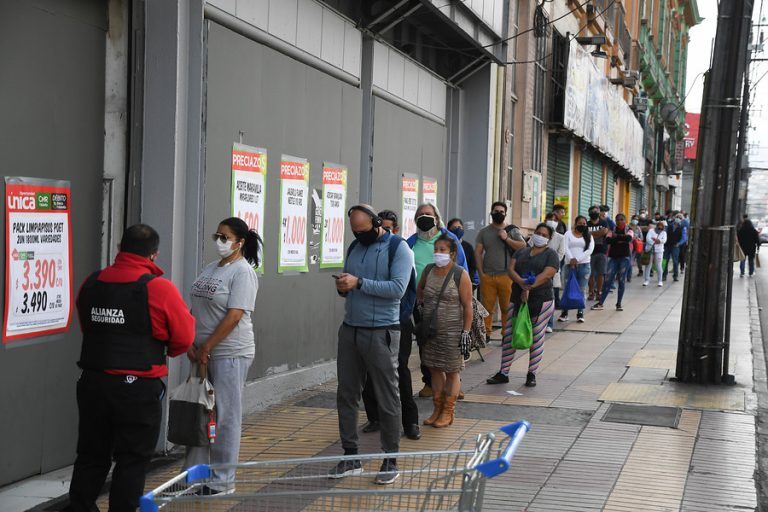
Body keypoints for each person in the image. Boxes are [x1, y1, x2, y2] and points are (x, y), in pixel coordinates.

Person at [69, 224, 195, 512]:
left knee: (90, 455)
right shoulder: (159, 288)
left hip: (93, 381)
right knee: (132, 459)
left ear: (119, 248)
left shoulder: (92, 282)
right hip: (137, 387)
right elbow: (184, 338)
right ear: (154, 254)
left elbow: (87, 326)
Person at [332, 205, 414, 485]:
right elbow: (349, 285)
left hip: (382, 332)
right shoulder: (354, 247)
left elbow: (397, 289)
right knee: (346, 395)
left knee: (387, 397)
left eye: (363, 230)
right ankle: (350, 456)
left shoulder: (399, 248)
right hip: (350, 329)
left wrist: (359, 283)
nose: (359, 235)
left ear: (377, 223)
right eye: (354, 231)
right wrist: (343, 286)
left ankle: (390, 458)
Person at [185, 217, 261, 495]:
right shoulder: (210, 268)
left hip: (230, 353)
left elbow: (235, 315)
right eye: (217, 236)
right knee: (199, 412)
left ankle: (222, 480)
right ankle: (193, 476)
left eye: (225, 237)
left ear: (240, 242)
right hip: (201, 354)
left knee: (225, 416)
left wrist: (208, 346)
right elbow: (195, 307)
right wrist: (191, 342)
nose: (219, 241)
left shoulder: (243, 272)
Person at [360, 210, 422, 441]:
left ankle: (410, 422)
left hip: (397, 321)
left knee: (399, 370)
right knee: (368, 369)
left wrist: (401, 316)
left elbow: (406, 290)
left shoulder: (401, 251)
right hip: (370, 320)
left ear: (395, 229)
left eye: (387, 228)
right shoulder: (365, 250)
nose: (382, 231)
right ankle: (374, 417)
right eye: (379, 227)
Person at [406, 203, 467, 398]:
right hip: (422, 303)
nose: (424, 217)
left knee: (450, 343)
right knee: (426, 341)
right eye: (421, 214)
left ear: (437, 218)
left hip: (450, 302)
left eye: (428, 214)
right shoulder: (411, 242)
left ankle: (454, 382)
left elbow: (462, 266)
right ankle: (429, 382)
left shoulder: (449, 239)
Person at [486, 223, 559, 387]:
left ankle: (531, 374)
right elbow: (511, 269)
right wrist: (521, 283)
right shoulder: (522, 251)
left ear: (549, 239)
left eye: (544, 235)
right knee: (509, 335)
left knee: (536, 336)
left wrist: (529, 287)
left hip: (542, 301)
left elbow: (547, 274)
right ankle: (503, 372)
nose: (540, 236)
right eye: (538, 233)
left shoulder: (551, 254)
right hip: (517, 298)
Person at [417, 234, 474, 429]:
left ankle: (448, 412)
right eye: (436, 249)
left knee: (451, 371)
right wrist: (422, 306)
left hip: (453, 331)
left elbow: (468, 305)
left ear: (452, 253)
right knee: (434, 368)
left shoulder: (460, 274)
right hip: (431, 331)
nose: (438, 253)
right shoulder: (428, 270)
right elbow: (420, 290)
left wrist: (465, 332)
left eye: (442, 250)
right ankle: (437, 409)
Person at [475, 202, 526, 342]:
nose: (499, 213)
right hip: (488, 276)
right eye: (496, 211)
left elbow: (523, 246)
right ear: (491, 213)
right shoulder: (484, 232)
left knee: (506, 308)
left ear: (505, 214)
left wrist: (506, 238)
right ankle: (486, 334)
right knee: (486, 308)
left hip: (507, 276)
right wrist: (481, 273)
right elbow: (478, 252)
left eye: (501, 211)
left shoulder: (512, 230)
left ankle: (506, 334)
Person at [591, 214, 634, 311]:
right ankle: (600, 303)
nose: (619, 221)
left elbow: (629, 238)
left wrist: (616, 237)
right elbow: (607, 240)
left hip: (625, 258)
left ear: (625, 220)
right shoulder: (612, 229)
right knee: (608, 280)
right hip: (613, 258)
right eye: (617, 219)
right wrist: (621, 239)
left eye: (622, 219)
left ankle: (619, 304)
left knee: (621, 280)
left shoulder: (629, 229)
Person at [559, 216, 594, 323]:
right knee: (567, 288)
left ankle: (580, 312)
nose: (582, 225)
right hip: (569, 265)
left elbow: (590, 250)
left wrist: (577, 259)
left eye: (584, 224)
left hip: (584, 265)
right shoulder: (568, 234)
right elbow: (565, 247)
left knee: (582, 289)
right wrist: (571, 259)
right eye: (580, 223)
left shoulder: (589, 236)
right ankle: (565, 313)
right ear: (575, 223)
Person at [540, 213, 566, 332]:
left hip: (552, 271)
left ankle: (549, 323)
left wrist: (550, 264)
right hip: (538, 270)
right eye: (549, 219)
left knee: (550, 298)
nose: (551, 221)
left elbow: (561, 254)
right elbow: (530, 248)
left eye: (554, 220)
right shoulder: (539, 234)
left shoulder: (560, 237)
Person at [447, 218, 479, 289]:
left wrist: (468, 280)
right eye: (454, 228)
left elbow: (473, 267)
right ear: (448, 230)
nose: (457, 229)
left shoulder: (468, 247)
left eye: (460, 227)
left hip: (465, 282)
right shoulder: (445, 246)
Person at [586, 206, 610, 300]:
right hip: (589, 252)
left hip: (601, 251)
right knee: (590, 274)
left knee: (601, 273)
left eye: (596, 211)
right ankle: (591, 292)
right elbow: (585, 235)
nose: (594, 213)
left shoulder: (604, 222)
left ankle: (599, 292)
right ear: (589, 213)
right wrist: (599, 233)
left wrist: (591, 234)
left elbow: (605, 232)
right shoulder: (587, 224)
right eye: (592, 211)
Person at [662, 215, 687, 282]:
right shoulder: (669, 226)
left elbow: (684, 238)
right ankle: (664, 275)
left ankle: (675, 276)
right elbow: (664, 233)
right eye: (677, 217)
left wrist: (679, 243)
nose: (678, 219)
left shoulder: (682, 227)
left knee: (675, 261)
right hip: (667, 245)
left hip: (675, 246)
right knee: (665, 260)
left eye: (680, 218)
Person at [643, 220, 667, 287]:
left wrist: (658, 241)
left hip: (659, 251)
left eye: (662, 226)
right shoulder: (651, 231)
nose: (660, 227)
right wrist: (655, 242)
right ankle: (646, 280)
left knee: (658, 265)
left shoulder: (664, 233)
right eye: (659, 225)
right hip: (650, 250)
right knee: (648, 265)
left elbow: (664, 240)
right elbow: (648, 238)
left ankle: (660, 281)